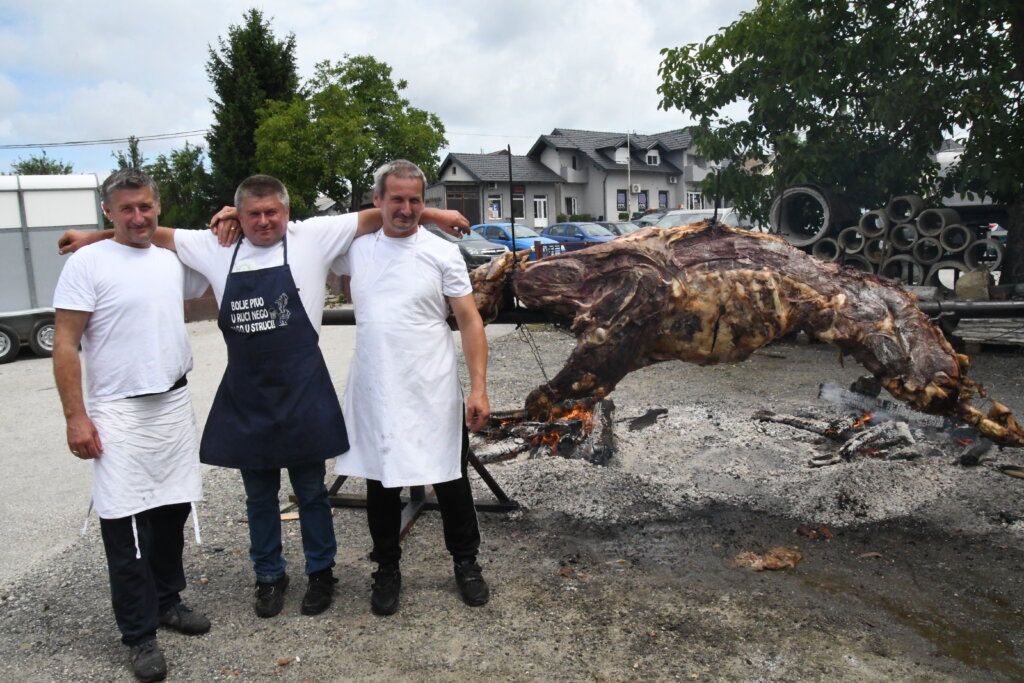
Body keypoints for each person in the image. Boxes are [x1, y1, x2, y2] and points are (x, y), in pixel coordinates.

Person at [59, 176, 469, 620]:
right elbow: (147, 231)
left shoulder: (311, 237)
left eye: (272, 212)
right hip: (248, 392)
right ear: (238, 215)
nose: (263, 221)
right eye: (252, 214)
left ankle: (320, 574)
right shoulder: (214, 246)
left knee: (312, 492)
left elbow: (385, 212)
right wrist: (93, 238)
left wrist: (436, 213)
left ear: (287, 212)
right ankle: (269, 576)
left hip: (302, 388)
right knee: (259, 497)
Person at [53, 168, 211, 682]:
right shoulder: (87, 263)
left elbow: (211, 250)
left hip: (170, 407)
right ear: (108, 212)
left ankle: (168, 601)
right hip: (116, 411)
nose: (138, 217)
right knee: (125, 529)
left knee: (168, 517)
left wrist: (229, 216)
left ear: (157, 206)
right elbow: (65, 342)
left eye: (145, 207)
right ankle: (139, 636)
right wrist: (76, 416)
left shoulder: (170, 262)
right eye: (126, 209)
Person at [332, 160, 491, 616]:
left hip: (432, 387)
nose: (405, 209)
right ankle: (386, 568)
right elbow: (301, 232)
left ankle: (466, 562)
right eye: (396, 199)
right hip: (376, 387)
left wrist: (478, 388)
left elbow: (469, 320)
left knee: (450, 477)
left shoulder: (442, 254)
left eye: (415, 200)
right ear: (377, 200)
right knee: (381, 483)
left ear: (425, 201)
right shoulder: (356, 249)